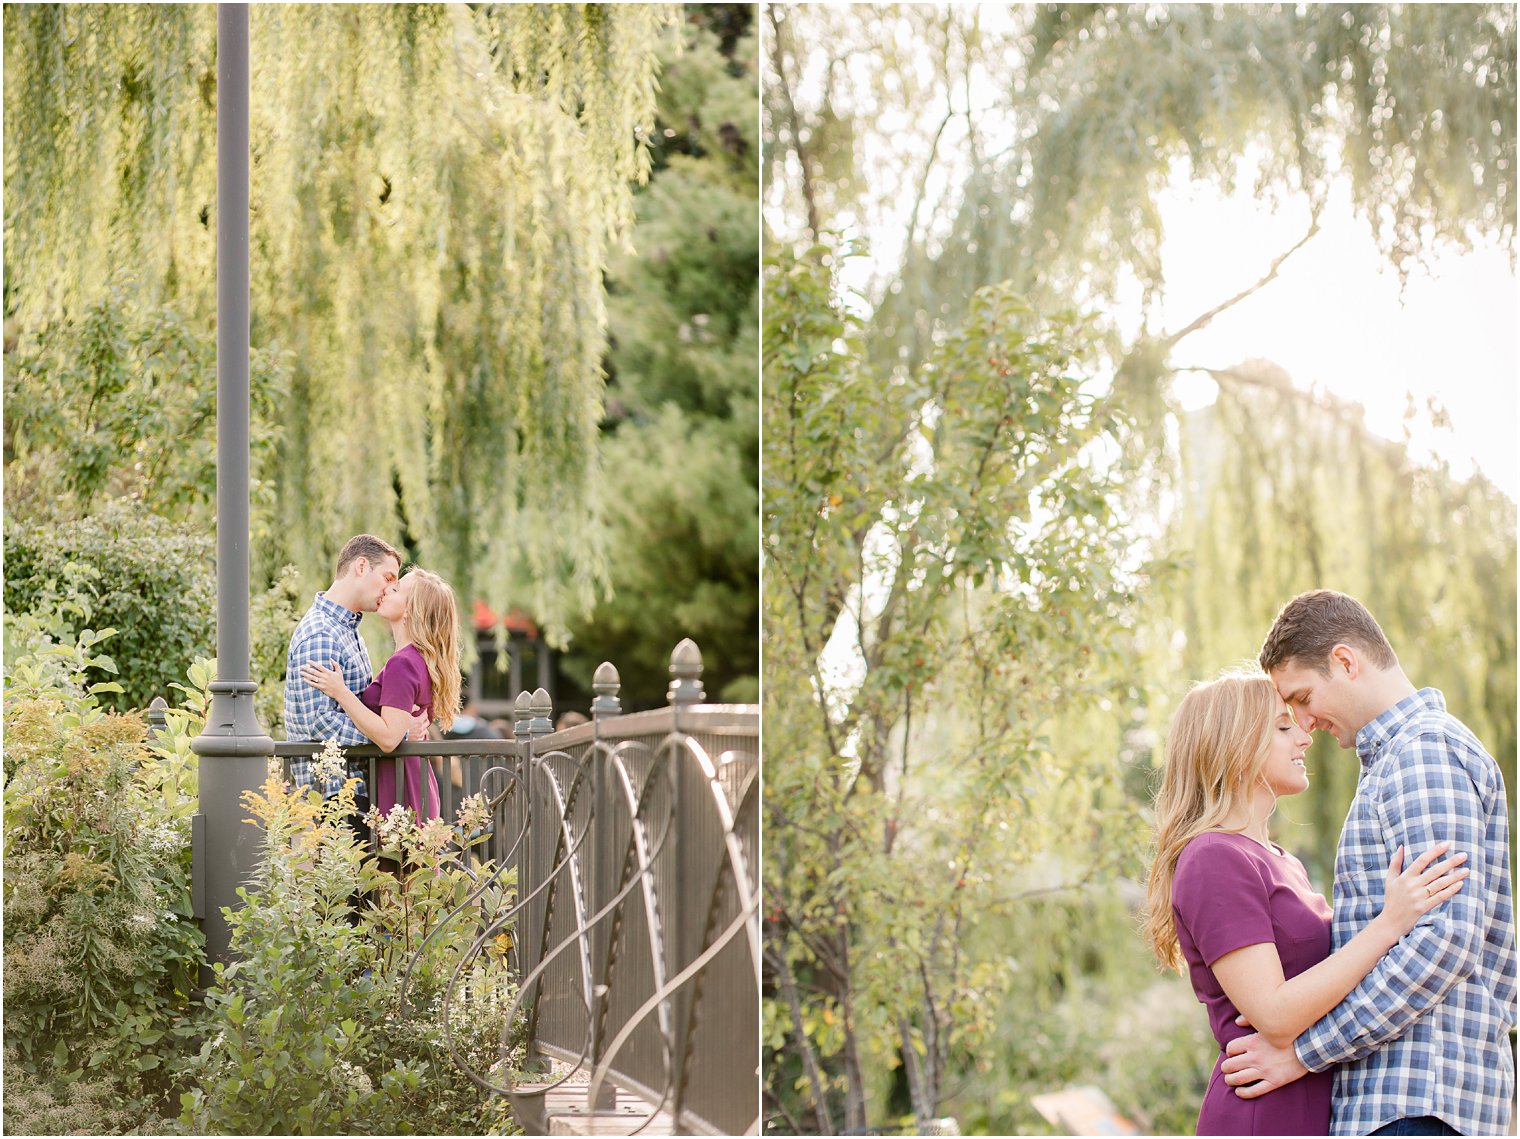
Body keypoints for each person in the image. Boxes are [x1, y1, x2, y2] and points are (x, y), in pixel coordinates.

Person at [1219, 590, 1516, 1136]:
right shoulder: (1394, 761)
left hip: (1419, 1101)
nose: (1304, 724)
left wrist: (1305, 1052)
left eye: (1303, 697)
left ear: (1345, 661)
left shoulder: (1421, 753)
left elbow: (1443, 941)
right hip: (1402, 1103)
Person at [1145, 671, 1469, 1136]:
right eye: (1282, 727)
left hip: (1312, 1102)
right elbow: (1274, 1016)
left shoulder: (1281, 862)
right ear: (1234, 747)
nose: (1304, 737)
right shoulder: (1214, 857)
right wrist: (1388, 924)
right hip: (1264, 1112)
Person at [300, 566, 462, 823]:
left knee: (397, 863)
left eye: (396, 589)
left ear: (410, 610)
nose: (386, 589)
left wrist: (341, 692)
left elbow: (388, 737)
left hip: (401, 787)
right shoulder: (415, 659)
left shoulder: (404, 663)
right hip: (407, 779)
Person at [283, 534, 403, 810]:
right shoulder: (320, 633)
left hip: (350, 791)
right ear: (361, 567)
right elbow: (321, 722)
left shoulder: (349, 632)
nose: (389, 589)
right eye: (388, 578)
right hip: (329, 796)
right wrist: (390, 734)